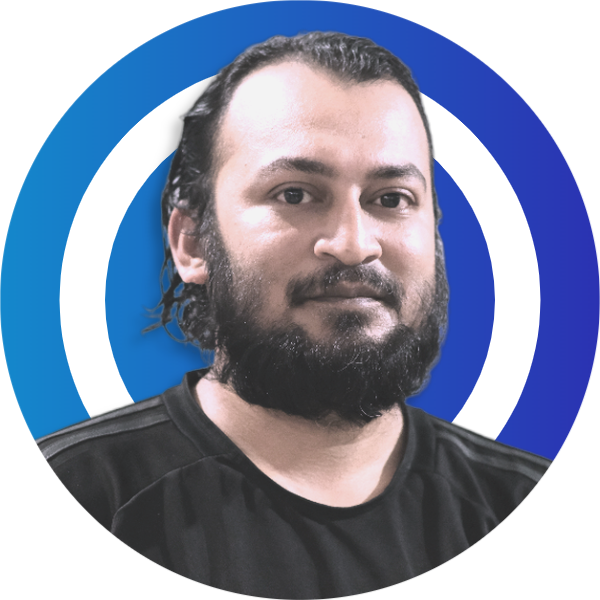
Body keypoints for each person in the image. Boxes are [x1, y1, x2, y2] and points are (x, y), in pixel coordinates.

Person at [36, 32, 551, 596]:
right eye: (295, 194)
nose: (354, 245)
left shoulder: (515, 498)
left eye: (391, 199)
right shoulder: (84, 491)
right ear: (193, 243)